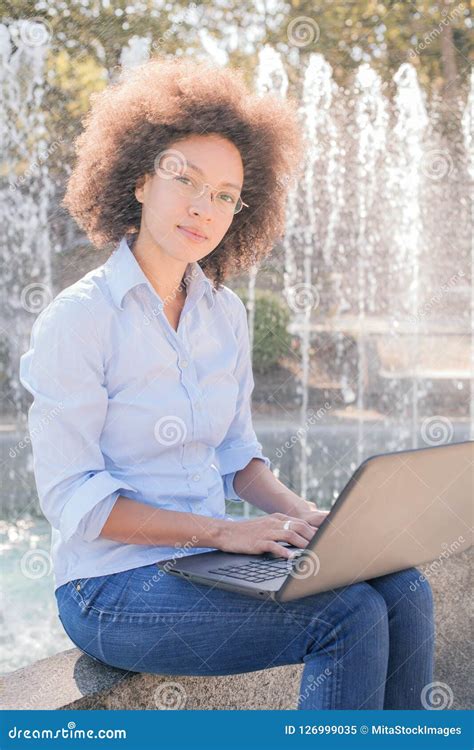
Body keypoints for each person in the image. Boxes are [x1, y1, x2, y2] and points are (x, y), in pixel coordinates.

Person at [19, 56, 434, 710]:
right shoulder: (79, 319)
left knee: (402, 586)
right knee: (346, 615)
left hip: (203, 565)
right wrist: (222, 533)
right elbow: (78, 502)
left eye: (223, 194)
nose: (201, 206)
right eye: (183, 178)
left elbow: (238, 459)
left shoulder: (224, 312)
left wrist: (307, 519)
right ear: (136, 180)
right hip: (107, 588)